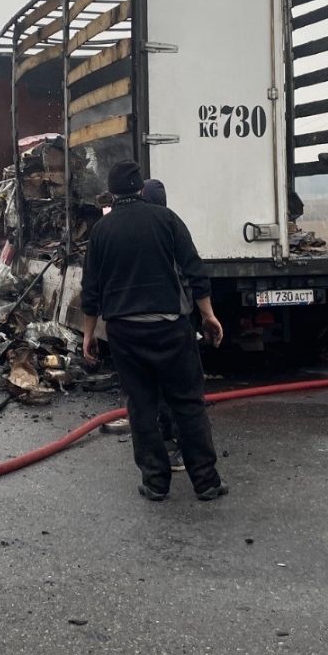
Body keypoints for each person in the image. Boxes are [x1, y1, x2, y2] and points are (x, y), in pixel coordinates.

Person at [82, 160, 228, 502]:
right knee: (188, 404)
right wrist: (208, 316)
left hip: (125, 333)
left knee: (142, 406)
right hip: (171, 328)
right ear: (140, 189)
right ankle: (206, 482)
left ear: (113, 192)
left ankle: (156, 482)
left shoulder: (101, 232)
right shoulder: (167, 220)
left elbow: (91, 291)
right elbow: (195, 271)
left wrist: (89, 335)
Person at [140, 177, 186, 473]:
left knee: (155, 390)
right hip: (176, 320)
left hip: (150, 321)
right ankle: (176, 444)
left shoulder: (147, 230)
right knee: (178, 389)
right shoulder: (172, 224)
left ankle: (169, 446)